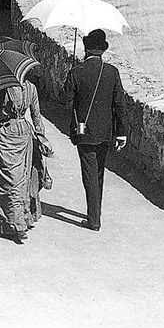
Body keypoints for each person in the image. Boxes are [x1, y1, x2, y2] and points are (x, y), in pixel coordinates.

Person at [66, 29, 126, 231]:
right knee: (99, 172)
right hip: (106, 132)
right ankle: (95, 212)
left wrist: (69, 76)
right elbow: (120, 105)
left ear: (86, 48)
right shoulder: (112, 72)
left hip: (84, 132)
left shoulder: (76, 71)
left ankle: (94, 219)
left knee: (90, 174)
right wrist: (121, 133)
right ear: (102, 51)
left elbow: (64, 99)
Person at [0, 80, 50, 243]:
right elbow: (36, 116)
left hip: (5, 134)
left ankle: (10, 223)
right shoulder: (31, 87)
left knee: (5, 181)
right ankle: (22, 219)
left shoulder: (2, 89)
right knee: (21, 180)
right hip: (24, 133)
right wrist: (42, 137)